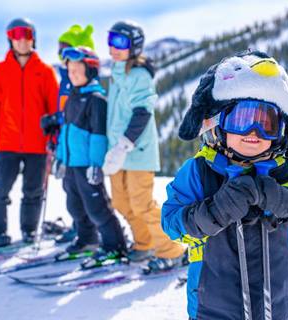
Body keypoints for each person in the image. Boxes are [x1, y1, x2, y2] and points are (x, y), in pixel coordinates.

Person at [161, 50, 288, 319]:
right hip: (212, 307)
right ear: (220, 123)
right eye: (243, 120)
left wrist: (286, 201)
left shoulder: (284, 172)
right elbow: (172, 224)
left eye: (267, 123)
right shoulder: (201, 171)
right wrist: (214, 212)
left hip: (274, 305)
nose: (254, 133)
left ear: (281, 131)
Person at [103, 21, 186, 271]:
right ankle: (144, 243)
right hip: (116, 152)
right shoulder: (116, 74)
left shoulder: (138, 74)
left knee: (142, 204)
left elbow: (142, 112)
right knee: (121, 202)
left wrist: (124, 145)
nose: (113, 48)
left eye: (120, 42)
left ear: (134, 46)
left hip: (136, 151)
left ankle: (172, 251)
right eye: (111, 40)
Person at [0, 18, 59, 247]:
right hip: (7, 143)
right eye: (16, 35)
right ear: (10, 40)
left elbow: (53, 108)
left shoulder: (44, 72)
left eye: (26, 35)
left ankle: (28, 231)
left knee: (33, 192)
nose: (22, 40)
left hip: (38, 144)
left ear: (33, 38)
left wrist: (53, 137)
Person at [54, 46, 127, 258]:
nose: (72, 72)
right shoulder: (71, 98)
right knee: (75, 206)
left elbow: (98, 137)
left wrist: (96, 165)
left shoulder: (96, 100)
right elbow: (65, 132)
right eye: (69, 68)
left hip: (87, 166)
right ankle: (87, 239)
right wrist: (60, 159)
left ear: (90, 69)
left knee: (97, 207)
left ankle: (115, 245)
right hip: (71, 165)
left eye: (78, 67)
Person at [41, 24, 96, 244]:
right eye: (60, 49)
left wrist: (59, 119)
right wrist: (55, 123)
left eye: (66, 49)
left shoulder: (82, 77)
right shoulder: (66, 77)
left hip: (80, 145)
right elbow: (65, 109)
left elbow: (80, 113)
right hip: (66, 142)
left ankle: (87, 229)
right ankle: (79, 227)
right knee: (70, 188)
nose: (61, 54)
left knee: (83, 190)